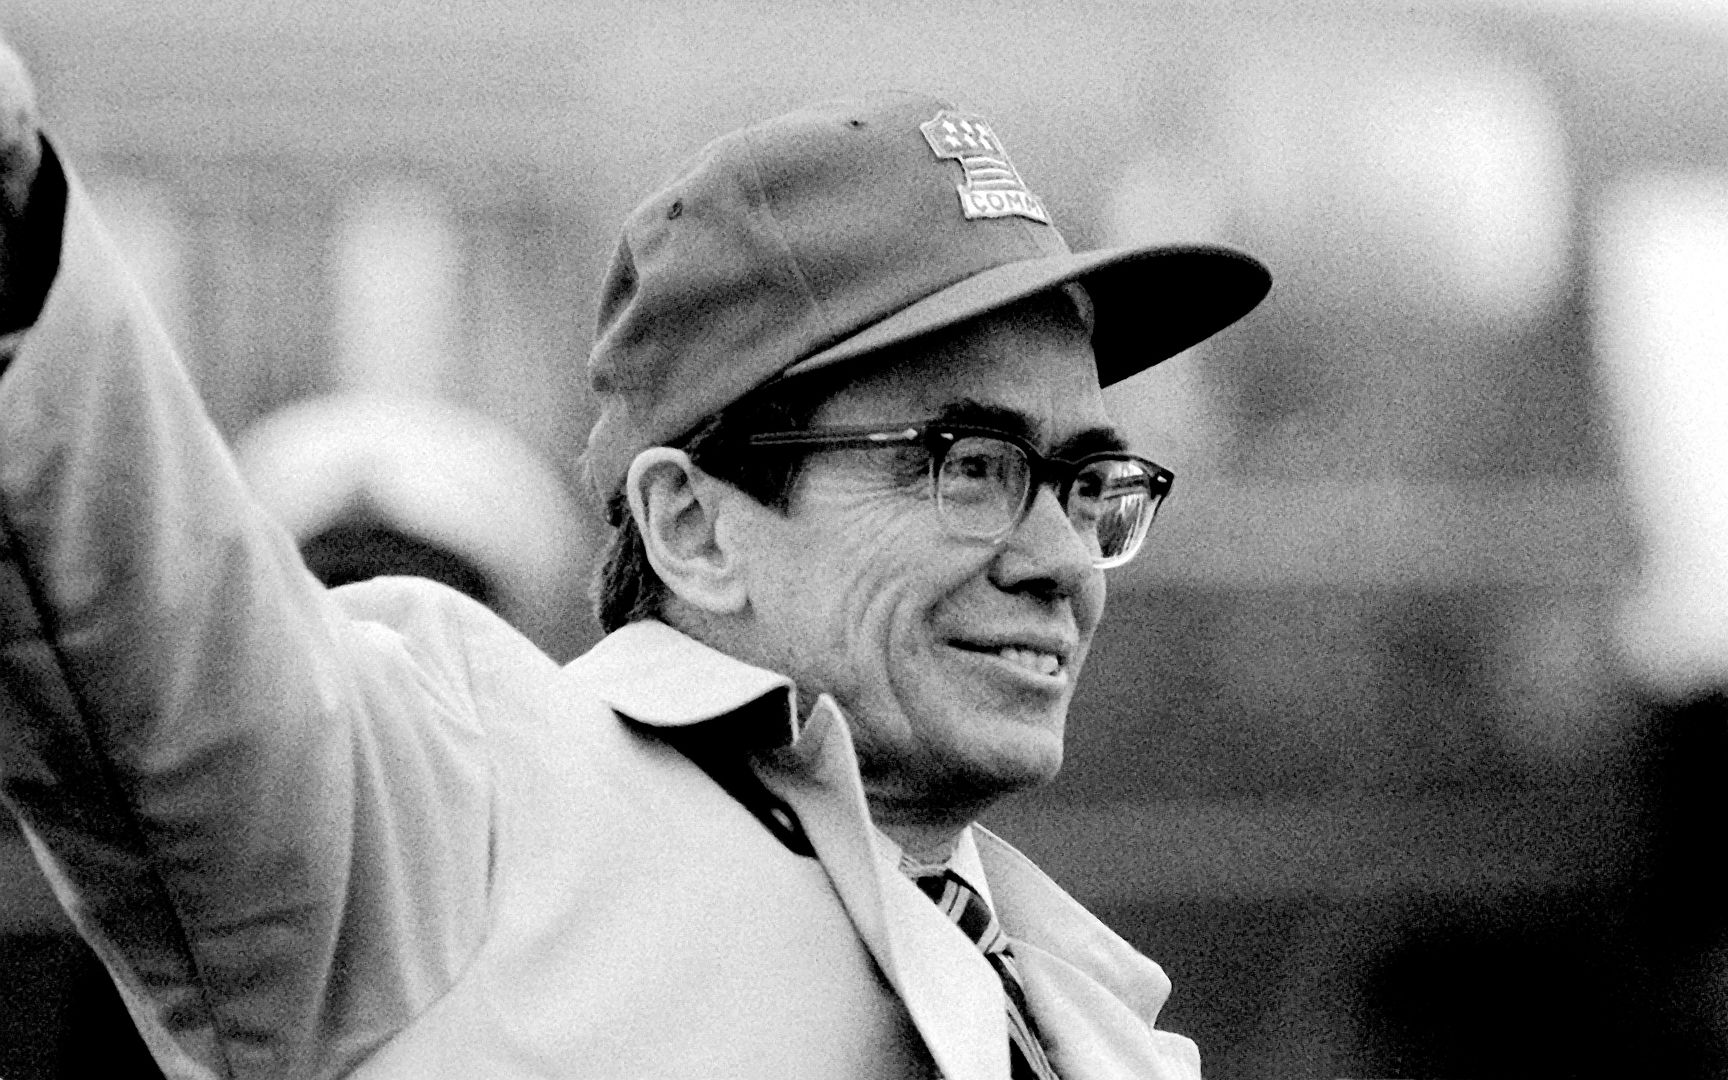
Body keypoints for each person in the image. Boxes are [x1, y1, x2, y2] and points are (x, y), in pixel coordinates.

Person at [0, 34, 1270, 1080]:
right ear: (694, 526)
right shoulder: (452, 820)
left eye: (1087, 482)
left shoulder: (1106, 1027)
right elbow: (151, 604)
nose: (1063, 558)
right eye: (971, 465)